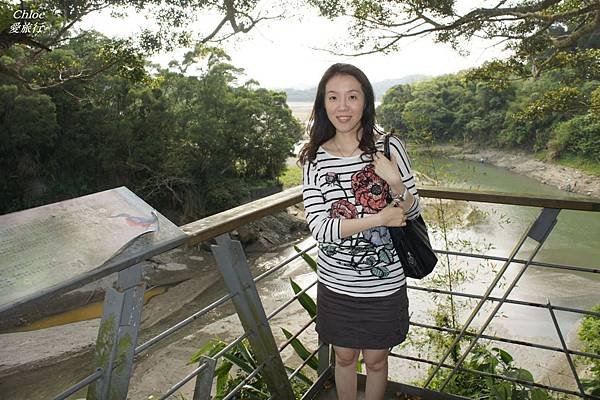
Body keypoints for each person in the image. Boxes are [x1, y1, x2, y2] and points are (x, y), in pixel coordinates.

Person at [298, 63, 421, 400]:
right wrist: (377, 219)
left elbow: (413, 212)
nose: (343, 106)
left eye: (352, 97)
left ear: (366, 101)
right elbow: (321, 229)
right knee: (344, 356)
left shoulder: (388, 147)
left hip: (384, 283)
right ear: (323, 104)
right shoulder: (313, 159)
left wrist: (395, 182)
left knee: (377, 361)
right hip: (337, 284)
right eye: (333, 97)